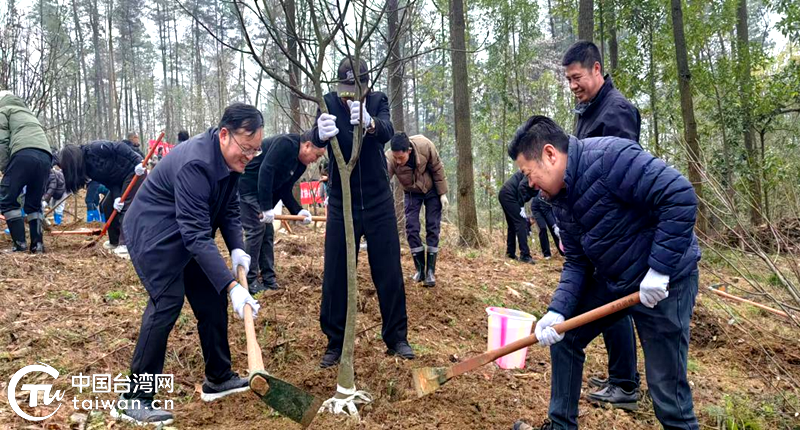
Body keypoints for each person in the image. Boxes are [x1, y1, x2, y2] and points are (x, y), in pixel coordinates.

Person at [509, 116, 700, 430]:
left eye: (528, 173)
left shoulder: (612, 158)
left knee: (666, 390)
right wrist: (558, 310)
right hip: (618, 279)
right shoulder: (559, 199)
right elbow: (577, 262)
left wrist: (659, 269)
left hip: (666, 283)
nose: (529, 183)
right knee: (564, 336)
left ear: (550, 154)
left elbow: (679, 196)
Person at [111, 103, 263, 426]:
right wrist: (234, 286)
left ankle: (218, 378)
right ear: (225, 135)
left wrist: (237, 249)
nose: (249, 157)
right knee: (167, 301)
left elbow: (227, 210)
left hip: (183, 231)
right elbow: (196, 235)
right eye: (246, 148)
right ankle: (135, 398)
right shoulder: (196, 163)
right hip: (153, 232)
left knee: (210, 294)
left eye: (255, 150)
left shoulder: (232, 163)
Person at [312, 57, 413, 368]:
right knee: (337, 272)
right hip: (343, 204)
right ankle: (335, 342)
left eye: (354, 90)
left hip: (378, 200)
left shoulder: (378, 101)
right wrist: (318, 133)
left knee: (388, 270)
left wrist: (369, 123)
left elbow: (388, 130)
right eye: (344, 90)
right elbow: (314, 139)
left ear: (366, 87)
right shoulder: (327, 102)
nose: (348, 96)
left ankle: (396, 337)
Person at [563, 40, 643, 408]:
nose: (573, 85)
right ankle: (619, 376)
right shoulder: (587, 110)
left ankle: (625, 383)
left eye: (577, 77)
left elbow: (622, 171)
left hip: (613, 229)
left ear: (597, 69)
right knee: (609, 303)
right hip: (594, 226)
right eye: (568, 80)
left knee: (614, 302)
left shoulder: (617, 111)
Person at [239, 130, 326, 294]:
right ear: (307, 146)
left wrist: (298, 210)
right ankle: (249, 281)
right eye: (318, 155)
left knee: (268, 232)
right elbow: (266, 170)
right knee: (256, 230)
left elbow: (284, 189)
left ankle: (269, 280)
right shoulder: (286, 144)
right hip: (248, 187)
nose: (317, 160)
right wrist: (266, 207)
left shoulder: (301, 165)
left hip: (263, 194)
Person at [59, 140, 146, 258]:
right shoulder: (89, 170)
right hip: (119, 180)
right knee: (107, 205)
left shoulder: (94, 149)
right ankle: (115, 242)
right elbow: (109, 180)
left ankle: (126, 245)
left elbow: (119, 146)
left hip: (134, 171)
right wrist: (116, 197)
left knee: (126, 207)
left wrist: (137, 162)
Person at [386, 132, 448, 287]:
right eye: (396, 158)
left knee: (432, 226)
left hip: (432, 190)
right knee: (412, 228)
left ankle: (430, 271)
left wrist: (443, 194)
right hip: (411, 192)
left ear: (409, 151)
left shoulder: (424, 146)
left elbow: (438, 168)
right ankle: (420, 269)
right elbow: (383, 178)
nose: (398, 161)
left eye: (401, 158)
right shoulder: (389, 159)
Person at [0, 91, 53, 253]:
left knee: (6, 199)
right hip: (46, 157)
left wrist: (5, 168)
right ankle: (37, 245)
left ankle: (19, 244)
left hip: (22, 154)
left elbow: (1, 142)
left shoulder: (3, 111)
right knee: (34, 203)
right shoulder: (28, 114)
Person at [498, 170, 537, 264]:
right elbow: (522, 187)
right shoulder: (532, 171)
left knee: (512, 224)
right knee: (521, 222)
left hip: (504, 194)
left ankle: (510, 253)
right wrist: (521, 206)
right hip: (509, 194)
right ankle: (525, 255)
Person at [528, 193, 562, 260]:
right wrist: (554, 225)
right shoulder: (544, 194)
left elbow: (552, 211)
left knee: (554, 230)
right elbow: (546, 212)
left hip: (548, 208)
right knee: (543, 228)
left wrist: (555, 226)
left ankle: (563, 252)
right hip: (536, 209)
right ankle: (546, 254)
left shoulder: (556, 195)